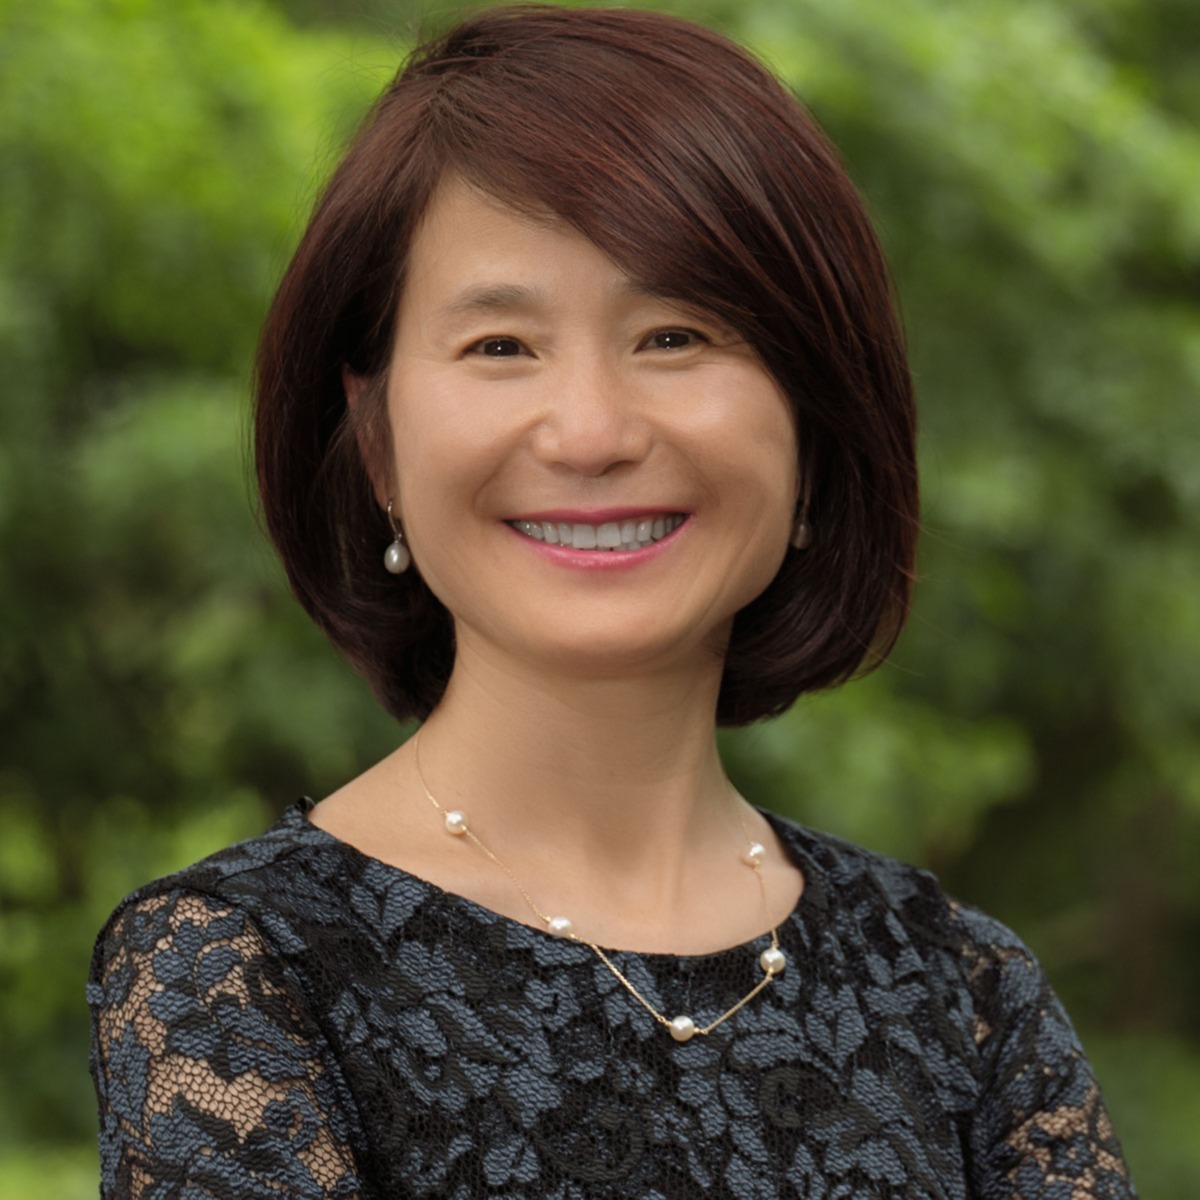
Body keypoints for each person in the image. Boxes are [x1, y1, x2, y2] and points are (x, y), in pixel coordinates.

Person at [87, 5, 1137, 1197]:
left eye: (675, 335)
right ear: (376, 443)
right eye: (500, 345)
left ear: (815, 426)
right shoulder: (237, 970)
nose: (589, 433)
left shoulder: (966, 993)